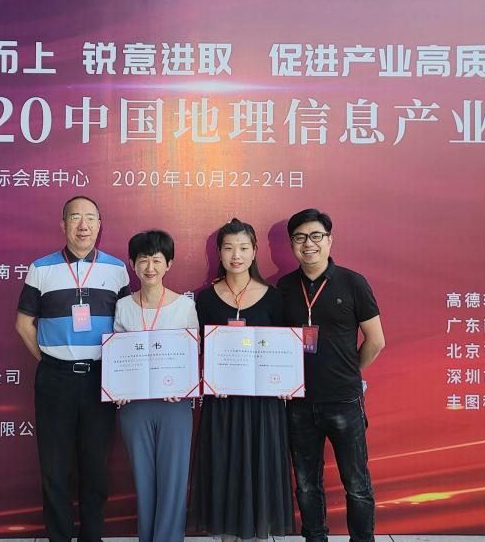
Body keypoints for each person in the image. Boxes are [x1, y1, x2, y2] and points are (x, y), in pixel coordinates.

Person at [14, 195, 130, 542]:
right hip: (55, 380)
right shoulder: (41, 269)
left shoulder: (117, 269)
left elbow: (127, 324)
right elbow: (23, 324)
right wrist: (51, 361)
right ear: (63, 224)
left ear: (99, 225)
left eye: (90, 218)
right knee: (55, 467)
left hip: (100, 379)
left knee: (95, 467)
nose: (83, 225)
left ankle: (92, 537)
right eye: (75, 217)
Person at [276, 209, 385, 542]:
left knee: (357, 484)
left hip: (344, 402)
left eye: (316, 236)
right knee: (306, 484)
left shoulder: (353, 283)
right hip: (299, 404)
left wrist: (348, 371)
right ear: (292, 244)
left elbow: (376, 340)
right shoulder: (285, 287)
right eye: (300, 238)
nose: (308, 244)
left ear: (329, 240)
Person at [190, 218, 295, 542]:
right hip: (222, 404)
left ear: (254, 252)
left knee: (260, 470)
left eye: (243, 248)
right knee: (225, 468)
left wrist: (286, 382)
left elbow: (285, 348)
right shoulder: (205, 299)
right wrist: (209, 377)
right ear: (219, 253)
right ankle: (226, 535)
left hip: (263, 405)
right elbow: (198, 349)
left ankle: (259, 535)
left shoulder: (274, 297)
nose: (236, 255)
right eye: (229, 248)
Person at [111, 230, 200, 542]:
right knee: (143, 479)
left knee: (173, 479)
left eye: (157, 260)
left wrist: (183, 384)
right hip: (134, 406)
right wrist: (117, 389)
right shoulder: (123, 306)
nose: (150, 267)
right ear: (132, 263)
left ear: (169, 264)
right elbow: (118, 355)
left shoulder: (184, 306)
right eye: (143, 260)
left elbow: (192, 353)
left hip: (174, 405)